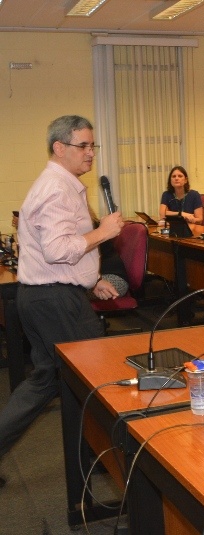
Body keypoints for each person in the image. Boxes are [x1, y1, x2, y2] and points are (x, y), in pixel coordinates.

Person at [0, 115, 124, 480]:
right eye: (83, 146)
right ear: (59, 148)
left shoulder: (62, 184)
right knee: (93, 378)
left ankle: (92, 456)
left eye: (92, 146)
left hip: (46, 297)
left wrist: (92, 279)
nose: (90, 154)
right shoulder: (56, 188)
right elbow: (57, 250)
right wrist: (103, 232)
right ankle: (101, 460)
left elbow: (61, 249)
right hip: (55, 302)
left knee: (46, 381)